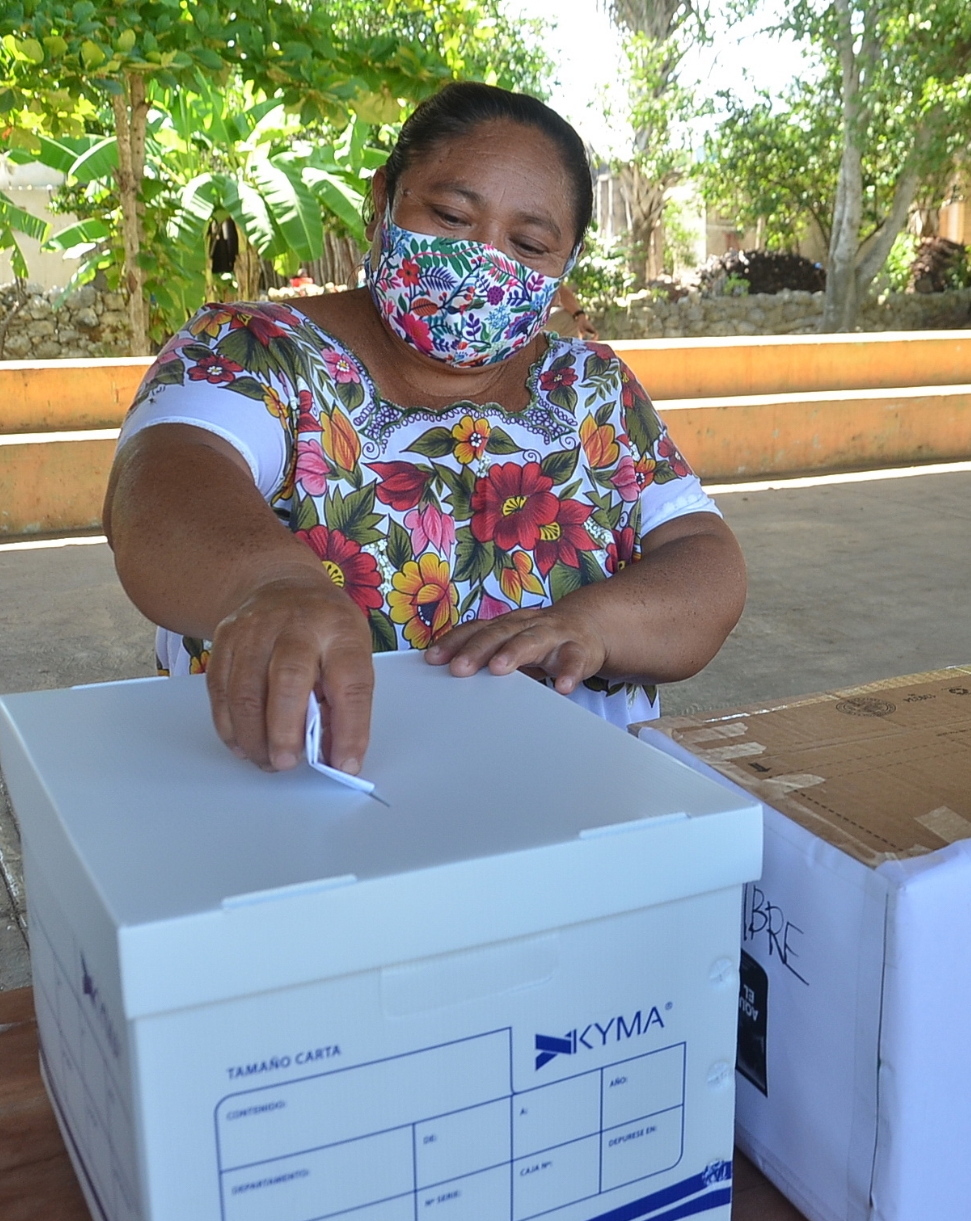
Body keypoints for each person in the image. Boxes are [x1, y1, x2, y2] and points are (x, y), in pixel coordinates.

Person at [104, 82, 746, 777]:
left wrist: (590, 625)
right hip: (303, 809)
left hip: (574, 809)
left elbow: (703, 561)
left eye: (528, 243)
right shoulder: (255, 350)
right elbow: (163, 483)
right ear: (382, 201)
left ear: (564, 267)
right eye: (450, 215)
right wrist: (268, 586)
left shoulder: (590, 387)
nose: (482, 261)